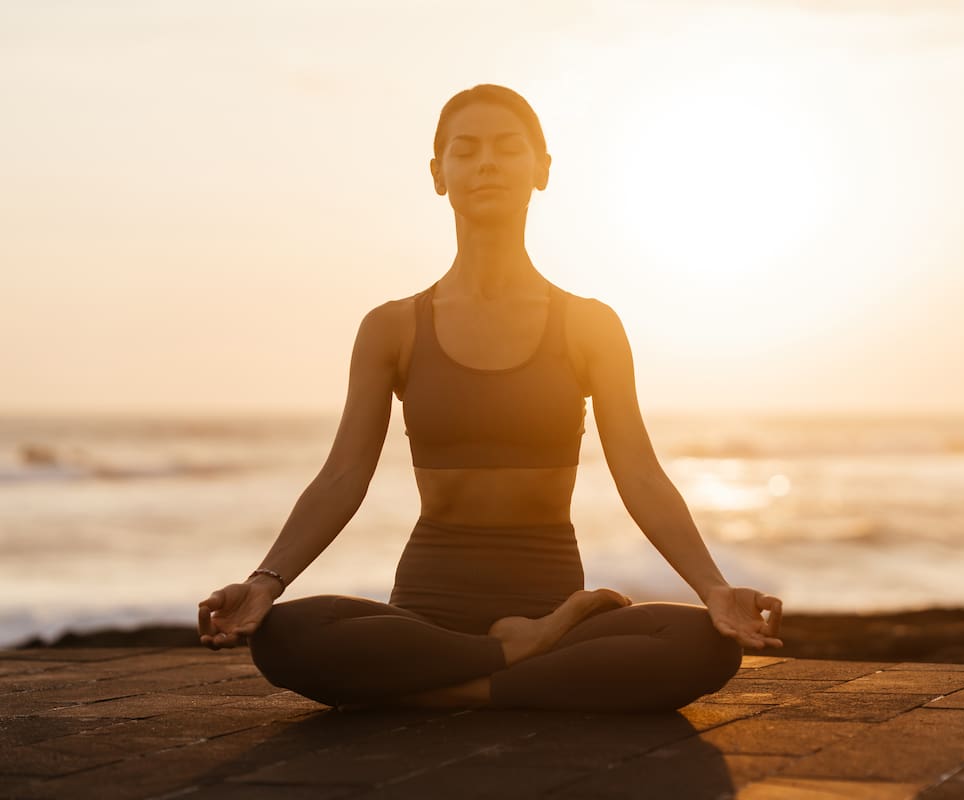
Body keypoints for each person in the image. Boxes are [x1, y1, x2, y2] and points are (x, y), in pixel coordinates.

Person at [197, 84, 783, 713]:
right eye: (465, 150)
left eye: (507, 148)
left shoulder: (589, 325)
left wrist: (714, 590)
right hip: (426, 615)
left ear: (542, 170)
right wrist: (264, 583)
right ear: (438, 174)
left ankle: (447, 686)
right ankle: (521, 661)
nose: (486, 164)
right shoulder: (392, 327)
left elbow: (639, 472)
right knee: (283, 638)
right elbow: (343, 475)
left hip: (550, 598)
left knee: (703, 645)